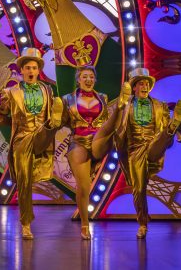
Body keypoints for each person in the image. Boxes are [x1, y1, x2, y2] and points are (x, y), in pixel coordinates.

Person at [0, 47, 63, 240]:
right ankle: (26, 223)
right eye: (28, 68)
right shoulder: (10, 92)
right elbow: (2, 117)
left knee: (50, 124)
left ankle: (52, 125)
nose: (31, 71)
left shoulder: (47, 90)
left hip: (41, 136)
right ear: (22, 70)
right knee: (24, 182)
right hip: (21, 138)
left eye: (34, 68)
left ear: (38, 70)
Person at [112, 67, 181, 239]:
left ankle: (172, 126)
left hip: (154, 144)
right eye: (141, 84)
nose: (144, 87)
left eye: (147, 84)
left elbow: (163, 132)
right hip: (134, 149)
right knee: (139, 189)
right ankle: (143, 223)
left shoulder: (160, 106)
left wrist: (173, 128)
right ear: (134, 87)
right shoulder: (125, 106)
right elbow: (117, 126)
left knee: (162, 137)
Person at [59, 59, 120, 240]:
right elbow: (62, 122)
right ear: (78, 79)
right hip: (78, 142)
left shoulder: (103, 98)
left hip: (99, 140)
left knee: (111, 134)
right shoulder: (67, 99)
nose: (88, 80)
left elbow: (107, 122)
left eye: (91, 77)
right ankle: (85, 224)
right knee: (84, 186)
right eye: (85, 76)